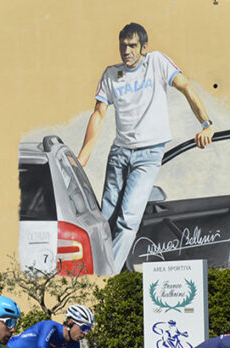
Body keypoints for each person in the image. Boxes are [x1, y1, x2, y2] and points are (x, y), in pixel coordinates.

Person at [77, 22, 214, 273]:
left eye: (132, 46)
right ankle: (93, 269)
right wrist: (83, 155)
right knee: (106, 217)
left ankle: (106, 277)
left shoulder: (157, 62)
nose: (126, 51)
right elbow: (99, 114)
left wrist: (206, 124)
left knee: (128, 219)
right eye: (123, 45)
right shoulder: (111, 75)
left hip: (148, 154)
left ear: (144, 48)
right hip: (119, 152)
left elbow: (186, 87)